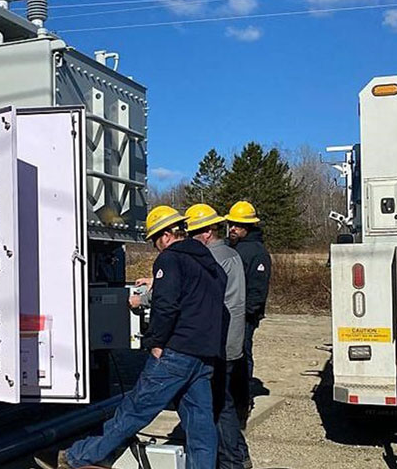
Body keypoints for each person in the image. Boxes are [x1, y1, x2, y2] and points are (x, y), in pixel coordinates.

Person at [36, 205, 227, 469]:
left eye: (154, 240)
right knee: (200, 422)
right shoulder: (210, 264)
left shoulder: (170, 259)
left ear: (166, 235)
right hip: (204, 355)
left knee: (135, 409)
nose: (155, 247)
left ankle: (76, 457)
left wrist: (155, 342)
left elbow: (166, 306)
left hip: (175, 352)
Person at [185, 203, 248, 469]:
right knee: (225, 401)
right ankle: (239, 455)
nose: (189, 238)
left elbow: (191, 292)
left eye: (193, 233)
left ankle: (231, 461)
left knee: (219, 405)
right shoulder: (229, 254)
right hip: (231, 340)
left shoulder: (211, 259)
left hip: (218, 342)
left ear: (208, 231)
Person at [225, 201, 271, 389]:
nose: (233, 228)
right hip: (228, 311)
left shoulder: (257, 252)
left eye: (238, 225)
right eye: (231, 224)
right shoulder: (230, 247)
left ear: (249, 226)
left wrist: (246, 313)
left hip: (244, 315)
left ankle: (243, 395)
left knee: (242, 354)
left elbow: (258, 288)